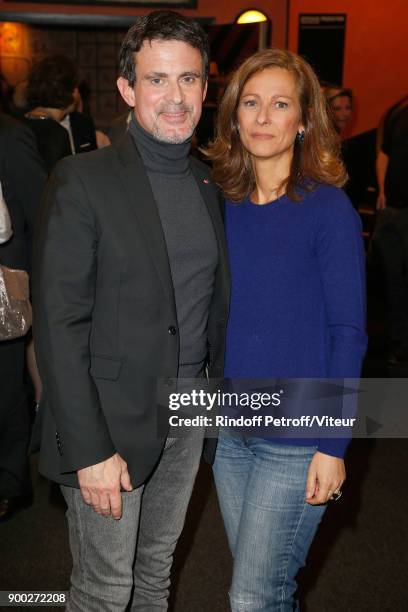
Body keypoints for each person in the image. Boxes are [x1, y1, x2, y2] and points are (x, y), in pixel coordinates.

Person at [32, 10, 229, 611]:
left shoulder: (209, 184)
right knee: (103, 589)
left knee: (155, 576)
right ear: (127, 89)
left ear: (205, 88)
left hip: (188, 411)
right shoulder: (81, 179)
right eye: (157, 79)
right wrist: (88, 449)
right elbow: (59, 326)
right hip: (108, 425)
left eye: (189, 79)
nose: (176, 97)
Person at [204, 49, 367, 610]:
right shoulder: (220, 204)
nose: (263, 117)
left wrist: (333, 444)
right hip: (232, 435)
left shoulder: (328, 209)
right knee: (270, 590)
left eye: (280, 105)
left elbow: (348, 333)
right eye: (251, 103)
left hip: (297, 439)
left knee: (252, 596)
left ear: (304, 121)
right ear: (233, 115)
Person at [0, 112, 46, 522]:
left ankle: (10, 483)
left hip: (5, 282)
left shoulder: (11, 136)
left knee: (7, 383)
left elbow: (40, 206)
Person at [375, 96, 408, 364]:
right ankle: (397, 342)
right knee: (392, 280)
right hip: (392, 210)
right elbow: (384, 152)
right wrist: (382, 190)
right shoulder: (399, 110)